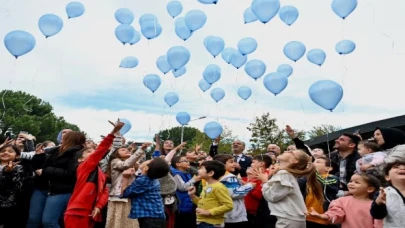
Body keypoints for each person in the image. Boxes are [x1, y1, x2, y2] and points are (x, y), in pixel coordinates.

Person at [64, 121, 124, 228]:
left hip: (91, 212)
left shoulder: (100, 172)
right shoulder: (84, 167)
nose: (92, 153)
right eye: (88, 152)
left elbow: (104, 191)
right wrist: (112, 132)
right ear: (80, 159)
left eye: (93, 150)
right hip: (77, 211)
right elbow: (100, 151)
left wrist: (98, 206)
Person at [262, 150, 323, 227]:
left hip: (289, 219)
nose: (287, 150)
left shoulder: (284, 173)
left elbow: (271, 196)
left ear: (294, 161)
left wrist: (264, 182)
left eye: (291, 152)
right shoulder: (285, 173)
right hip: (293, 219)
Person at [309, 173, 383, 228]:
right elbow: (336, 214)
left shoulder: (376, 206)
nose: (351, 184)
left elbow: (379, 223)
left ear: (370, 189)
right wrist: (325, 216)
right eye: (351, 181)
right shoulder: (341, 201)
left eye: (357, 182)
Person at [121, 157, 170, 228]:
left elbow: (125, 193)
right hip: (155, 218)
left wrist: (125, 178)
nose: (147, 160)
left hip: (151, 220)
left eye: (149, 160)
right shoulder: (150, 178)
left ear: (146, 168)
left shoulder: (144, 180)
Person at [188, 160, 233, 228]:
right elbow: (202, 203)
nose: (198, 170)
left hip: (212, 224)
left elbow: (228, 205)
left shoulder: (218, 187)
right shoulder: (207, 186)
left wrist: (209, 212)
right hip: (203, 222)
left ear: (210, 173)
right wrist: (192, 196)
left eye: (202, 168)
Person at [214, 154, 253, 227]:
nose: (234, 164)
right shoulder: (230, 177)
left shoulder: (214, 177)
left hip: (221, 213)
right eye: (231, 162)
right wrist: (250, 186)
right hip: (233, 215)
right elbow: (235, 193)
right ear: (222, 165)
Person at [301, 157, 339, 228]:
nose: (313, 164)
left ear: (328, 168)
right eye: (314, 162)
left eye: (318, 162)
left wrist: (313, 171)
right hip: (306, 216)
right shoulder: (308, 179)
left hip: (322, 218)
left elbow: (324, 183)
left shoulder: (333, 178)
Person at [370, 161, 405, 227]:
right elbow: (378, 215)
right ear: (387, 177)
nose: (402, 168)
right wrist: (378, 204)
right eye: (396, 167)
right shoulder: (383, 193)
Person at [243, 155, 274, 227]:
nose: (251, 164)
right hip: (248, 211)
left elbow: (260, 196)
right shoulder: (255, 175)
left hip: (256, 213)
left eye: (253, 162)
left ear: (261, 164)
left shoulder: (265, 175)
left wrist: (249, 187)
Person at [170, 155, 200, 228]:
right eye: (185, 161)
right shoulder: (176, 174)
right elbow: (182, 187)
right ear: (178, 164)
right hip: (182, 203)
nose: (188, 162)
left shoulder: (186, 172)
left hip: (188, 201)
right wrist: (194, 180)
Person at [0, 144, 24, 228]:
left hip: (7, 206)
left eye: (10, 151)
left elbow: (15, 187)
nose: (5, 153)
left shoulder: (19, 168)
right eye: (2, 151)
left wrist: (8, 173)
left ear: (17, 156)